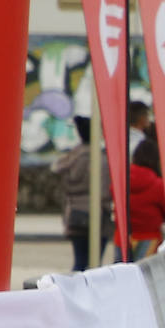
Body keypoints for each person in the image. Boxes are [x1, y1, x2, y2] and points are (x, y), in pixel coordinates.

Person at [50, 115, 112, 271]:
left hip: (75, 214)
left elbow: (57, 172)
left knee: (79, 262)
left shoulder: (72, 157)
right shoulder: (101, 158)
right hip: (99, 217)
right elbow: (105, 191)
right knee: (95, 266)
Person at [122, 139, 165, 262]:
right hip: (149, 238)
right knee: (144, 277)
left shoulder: (121, 180)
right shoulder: (157, 185)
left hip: (123, 237)